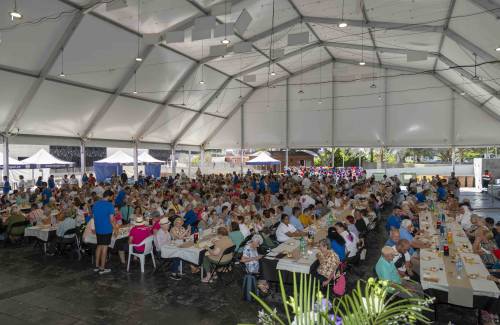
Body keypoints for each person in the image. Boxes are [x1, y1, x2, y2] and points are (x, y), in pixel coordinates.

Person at [92, 190, 115, 275]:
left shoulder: (96, 204)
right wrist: (115, 228)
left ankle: (96, 266)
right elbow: (112, 220)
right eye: (112, 197)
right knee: (104, 248)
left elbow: (93, 217)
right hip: (106, 229)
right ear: (109, 196)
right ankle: (102, 268)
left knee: (99, 246)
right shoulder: (110, 205)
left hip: (98, 229)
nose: (113, 198)